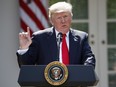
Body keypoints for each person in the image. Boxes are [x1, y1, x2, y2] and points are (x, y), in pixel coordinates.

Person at [17, 2, 96, 68]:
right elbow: (27, 66)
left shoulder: (81, 37)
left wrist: (86, 70)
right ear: (52, 21)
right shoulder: (40, 38)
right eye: (59, 18)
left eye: (65, 16)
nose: (63, 21)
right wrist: (24, 48)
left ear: (71, 17)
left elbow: (89, 58)